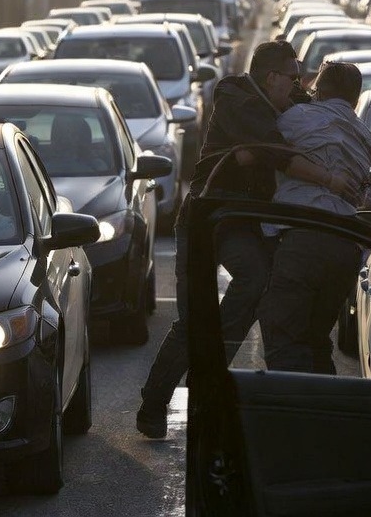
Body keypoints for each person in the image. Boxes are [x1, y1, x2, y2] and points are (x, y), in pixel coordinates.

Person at [136, 41, 356, 438]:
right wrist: (329, 180)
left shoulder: (286, 98)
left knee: (258, 282)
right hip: (204, 221)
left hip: (244, 224)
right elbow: (279, 152)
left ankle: (210, 375)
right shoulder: (236, 96)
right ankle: (153, 404)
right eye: (291, 77)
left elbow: (322, 112)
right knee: (192, 321)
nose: (297, 85)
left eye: (299, 78)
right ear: (270, 77)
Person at [257, 62, 371, 374]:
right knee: (316, 338)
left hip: (302, 239)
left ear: (320, 91)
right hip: (344, 246)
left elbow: (268, 151)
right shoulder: (367, 141)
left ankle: (292, 411)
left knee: (284, 337)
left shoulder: (296, 118)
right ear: (355, 98)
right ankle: (322, 409)